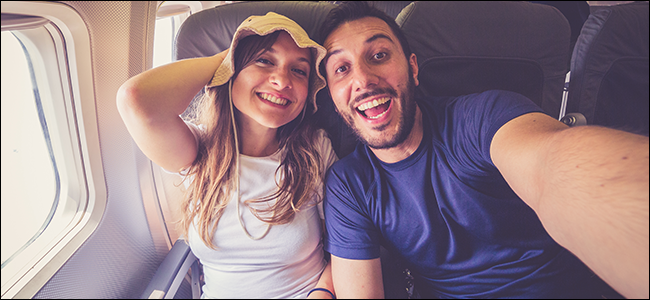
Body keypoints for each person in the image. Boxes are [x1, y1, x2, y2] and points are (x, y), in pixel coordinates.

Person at [317, 1, 649, 299]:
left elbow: (555, 164)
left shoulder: (483, 117)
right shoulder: (349, 186)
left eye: (379, 55)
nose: (363, 79)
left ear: (413, 68)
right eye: (341, 69)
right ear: (331, 95)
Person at [117, 12, 338, 299]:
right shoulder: (199, 152)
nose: (282, 80)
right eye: (264, 60)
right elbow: (136, 99)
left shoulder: (314, 150)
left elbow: (348, 245)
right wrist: (230, 54)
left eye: (299, 71)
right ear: (233, 67)